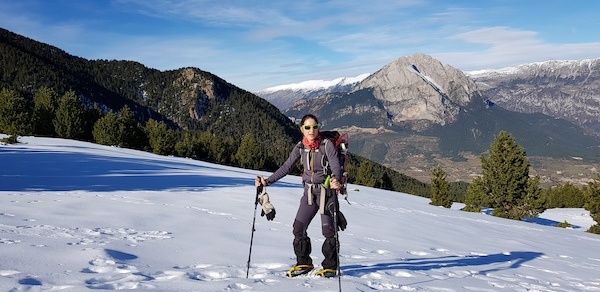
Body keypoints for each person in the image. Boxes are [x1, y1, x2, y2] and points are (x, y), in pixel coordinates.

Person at [255, 114, 343, 278]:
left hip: (326, 193)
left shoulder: (327, 145)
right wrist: (267, 182)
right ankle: (304, 263)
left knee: (329, 231)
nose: (312, 130)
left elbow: (335, 166)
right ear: (302, 129)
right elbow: (286, 167)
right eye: (308, 127)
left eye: (314, 126)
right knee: (298, 228)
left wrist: (336, 180)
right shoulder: (300, 147)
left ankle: (330, 267)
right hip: (309, 194)